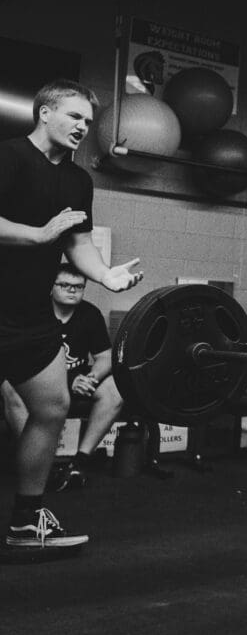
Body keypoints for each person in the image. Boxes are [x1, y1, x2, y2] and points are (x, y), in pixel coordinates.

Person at [0, 79, 142, 552]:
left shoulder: (78, 181)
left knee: (52, 407)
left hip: (27, 315)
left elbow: (78, 241)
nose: (84, 127)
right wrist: (39, 236)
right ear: (44, 113)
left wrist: (105, 276)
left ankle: (25, 522)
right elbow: (41, 234)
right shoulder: (9, 157)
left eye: (88, 120)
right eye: (75, 117)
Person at [1, 263, 125, 490]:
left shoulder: (90, 314)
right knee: (9, 387)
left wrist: (92, 378)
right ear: (51, 287)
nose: (72, 290)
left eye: (78, 287)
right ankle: (37, 467)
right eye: (65, 285)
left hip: (79, 380)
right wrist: (69, 381)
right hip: (36, 379)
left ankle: (79, 462)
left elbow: (105, 356)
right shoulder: (34, 315)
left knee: (114, 390)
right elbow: (16, 363)